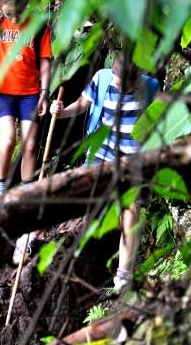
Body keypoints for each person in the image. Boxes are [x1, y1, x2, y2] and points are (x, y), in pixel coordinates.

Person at [50, 52, 159, 292]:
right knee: (75, 197)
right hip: (101, 154)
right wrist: (62, 111)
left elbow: (160, 120)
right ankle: (38, 236)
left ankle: (123, 276)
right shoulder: (103, 78)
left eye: (123, 85)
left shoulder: (150, 88)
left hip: (133, 159)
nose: (117, 85)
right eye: (116, 81)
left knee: (130, 214)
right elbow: (81, 105)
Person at [0, 0, 53, 262]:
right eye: (9, 12)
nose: (14, 17)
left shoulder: (38, 24)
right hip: (3, 91)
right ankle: (1, 189)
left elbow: (45, 60)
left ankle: (28, 189)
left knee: (31, 145)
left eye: (17, 10)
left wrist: (45, 91)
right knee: (7, 140)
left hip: (31, 92)